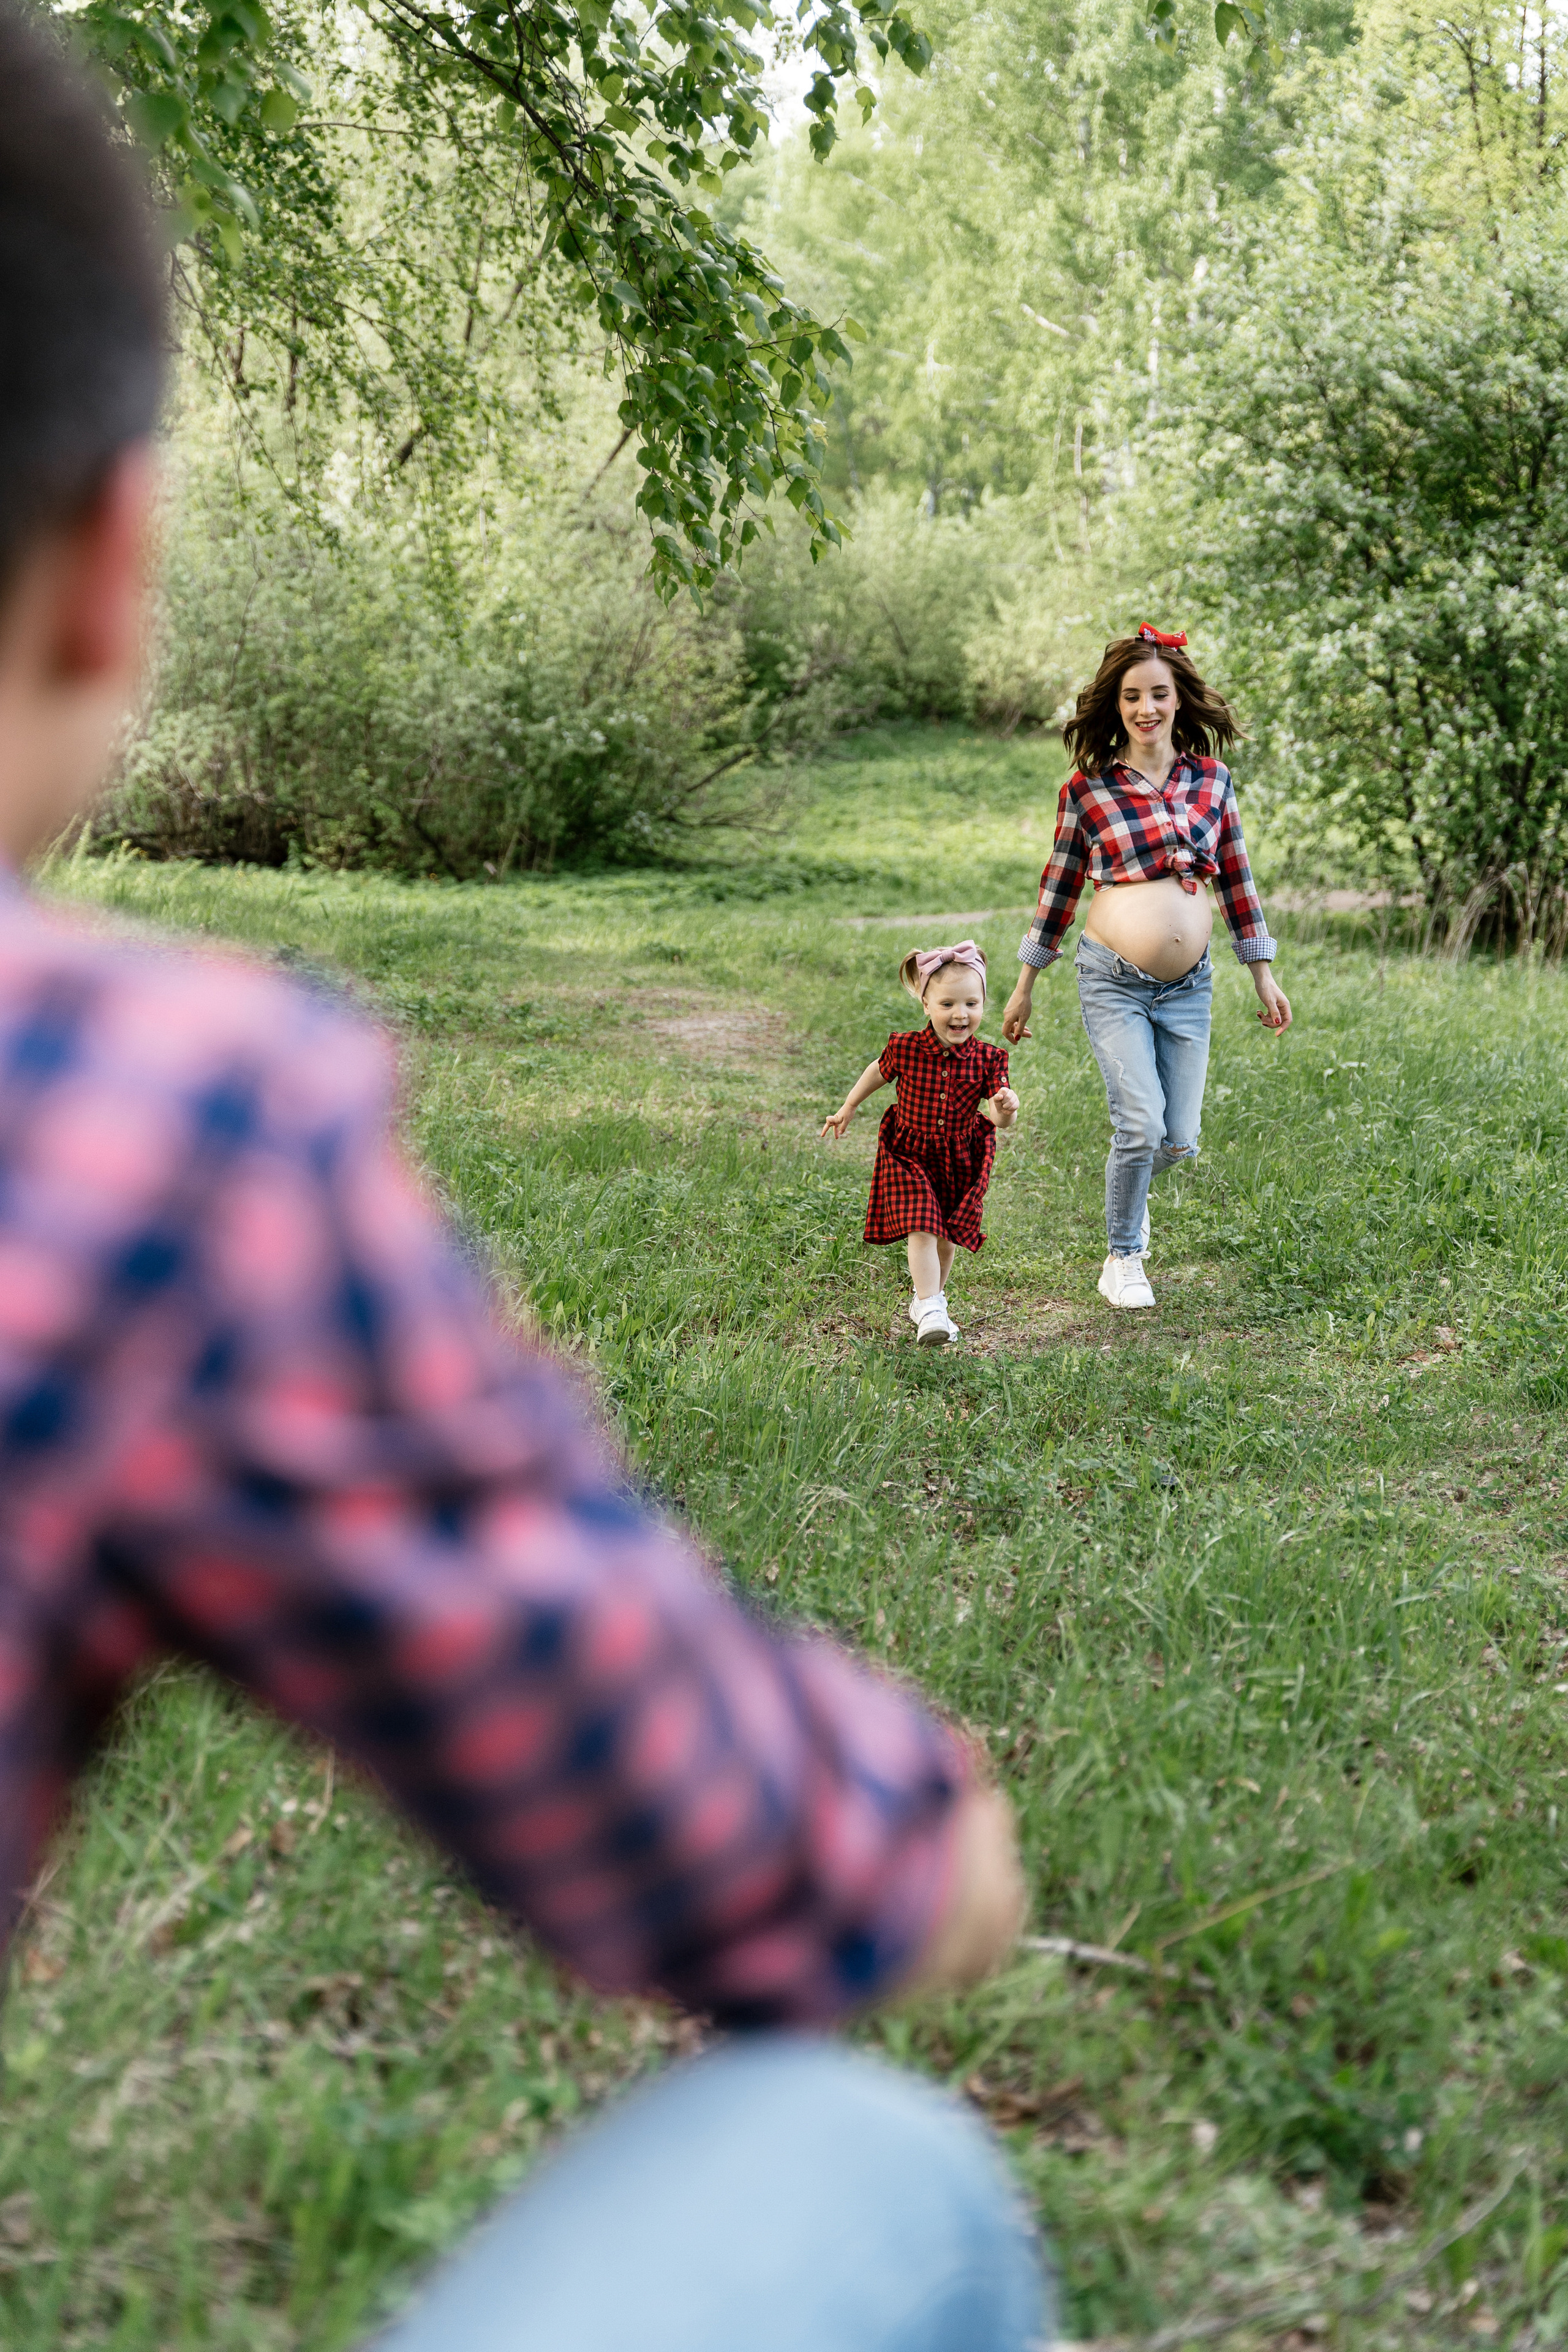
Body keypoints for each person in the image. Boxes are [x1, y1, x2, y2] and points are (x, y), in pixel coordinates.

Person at [0, 13, 1045, 2350]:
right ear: (114, 569)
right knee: (867, 2163)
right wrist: (920, 1824)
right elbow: (733, 1855)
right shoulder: (136, 1113)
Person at [1001, 627, 1291, 1311]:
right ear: (1116, 704)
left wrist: (1262, 972)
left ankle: (1130, 1189)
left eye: (1158, 693)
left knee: (1178, 1141)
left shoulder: (1212, 782)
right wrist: (1024, 983)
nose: (1145, 708)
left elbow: (1237, 880)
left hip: (1190, 987)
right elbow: (1059, 888)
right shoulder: (1088, 789)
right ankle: (1123, 1255)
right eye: (1132, 696)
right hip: (1112, 980)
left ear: (1178, 699)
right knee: (1139, 1127)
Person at [821, 944, 1020, 1347]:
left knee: (946, 1235)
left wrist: (1006, 1107)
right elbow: (877, 1072)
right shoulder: (906, 1047)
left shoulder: (989, 1059)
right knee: (923, 1225)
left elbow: (1000, 1120)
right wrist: (848, 1106)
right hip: (909, 1152)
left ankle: (931, 1303)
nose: (960, 1014)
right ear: (926, 1003)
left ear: (984, 1005)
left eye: (971, 1003)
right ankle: (930, 1305)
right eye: (948, 1003)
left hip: (959, 1156)